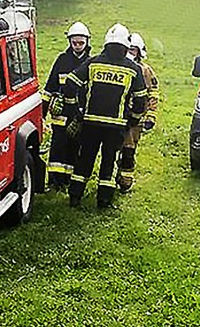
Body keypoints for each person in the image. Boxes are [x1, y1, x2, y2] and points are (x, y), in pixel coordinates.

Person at [63, 23, 147, 208]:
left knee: (84, 159)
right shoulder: (133, 69)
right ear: (126, 46)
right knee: (109, 163)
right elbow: (141, 99)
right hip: (116, 126)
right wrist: (133, 119)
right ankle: (104, 200)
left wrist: (74, 111)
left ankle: (75, 197)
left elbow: (70, 83)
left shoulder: (93, 62)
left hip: (90, 123)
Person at [41, 22, 92, 189]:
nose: (77, 46)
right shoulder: (62, 60)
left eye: (81, 43)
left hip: (79, 114)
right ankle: (55, 181)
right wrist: (42, 113)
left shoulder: (91, 63)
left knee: (75, 147)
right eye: (74, 42)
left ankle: (70, 180)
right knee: (57, 147)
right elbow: (49, 87)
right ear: (69, 41)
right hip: (60, 114)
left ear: (87, 42)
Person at [116, 33, 159, 193]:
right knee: (112, 150)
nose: (129, 54)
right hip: (117, 117)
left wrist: (150, 116)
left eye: (133, 50)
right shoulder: (117, 66)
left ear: (139, 52)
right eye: (128, 49)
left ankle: (125, 181)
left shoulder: (145, 71)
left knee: (128, 150)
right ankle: (111, 177)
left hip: (135, 120)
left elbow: (153, 93)